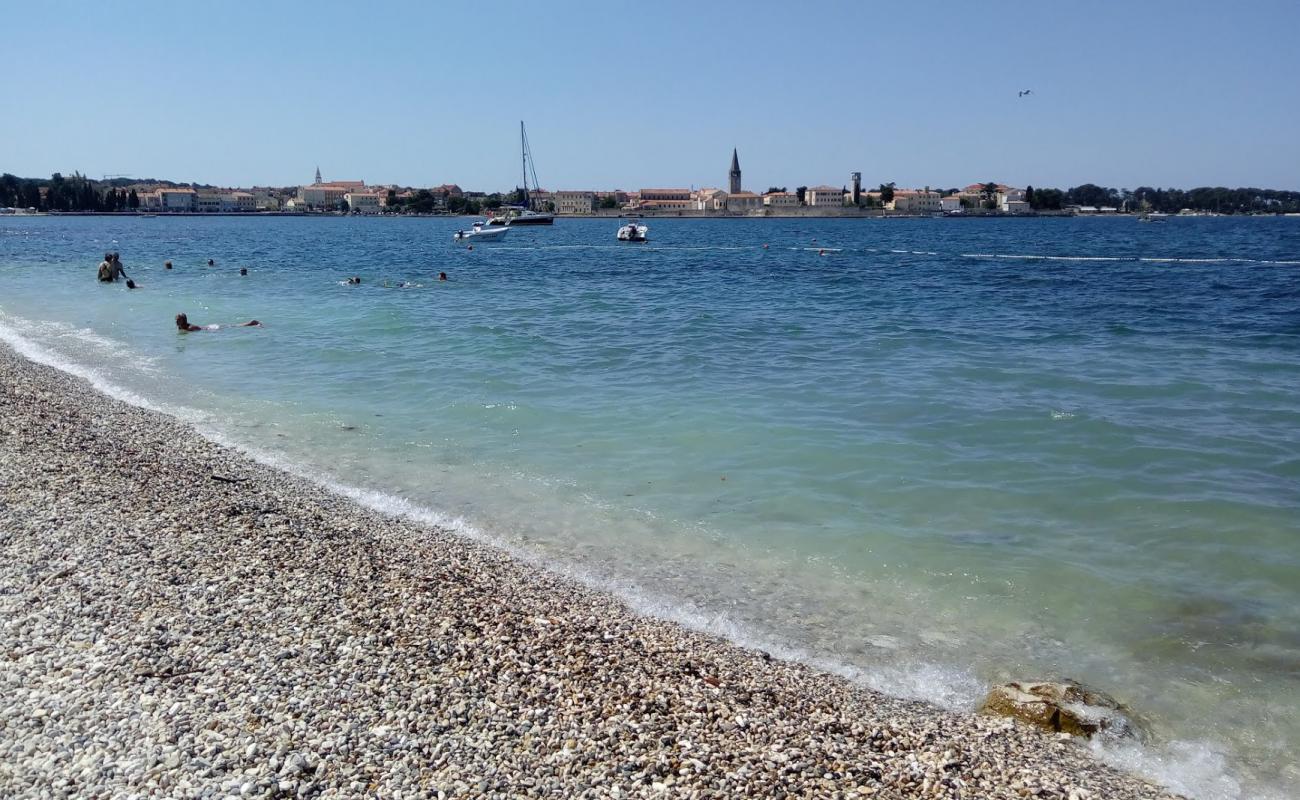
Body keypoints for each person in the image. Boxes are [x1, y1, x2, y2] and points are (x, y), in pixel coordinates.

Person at [175, 312, 260, 332]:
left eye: (178, 320)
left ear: (184, 320)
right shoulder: (181, 327)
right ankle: (252, 323)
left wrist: (214, 332)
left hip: (213, 328)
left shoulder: (190, 328)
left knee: (235, 326)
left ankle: (252, 323)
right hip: (210, 327)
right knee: (234, 326)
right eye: (176, 320)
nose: (176, 321)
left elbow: (202, 330)